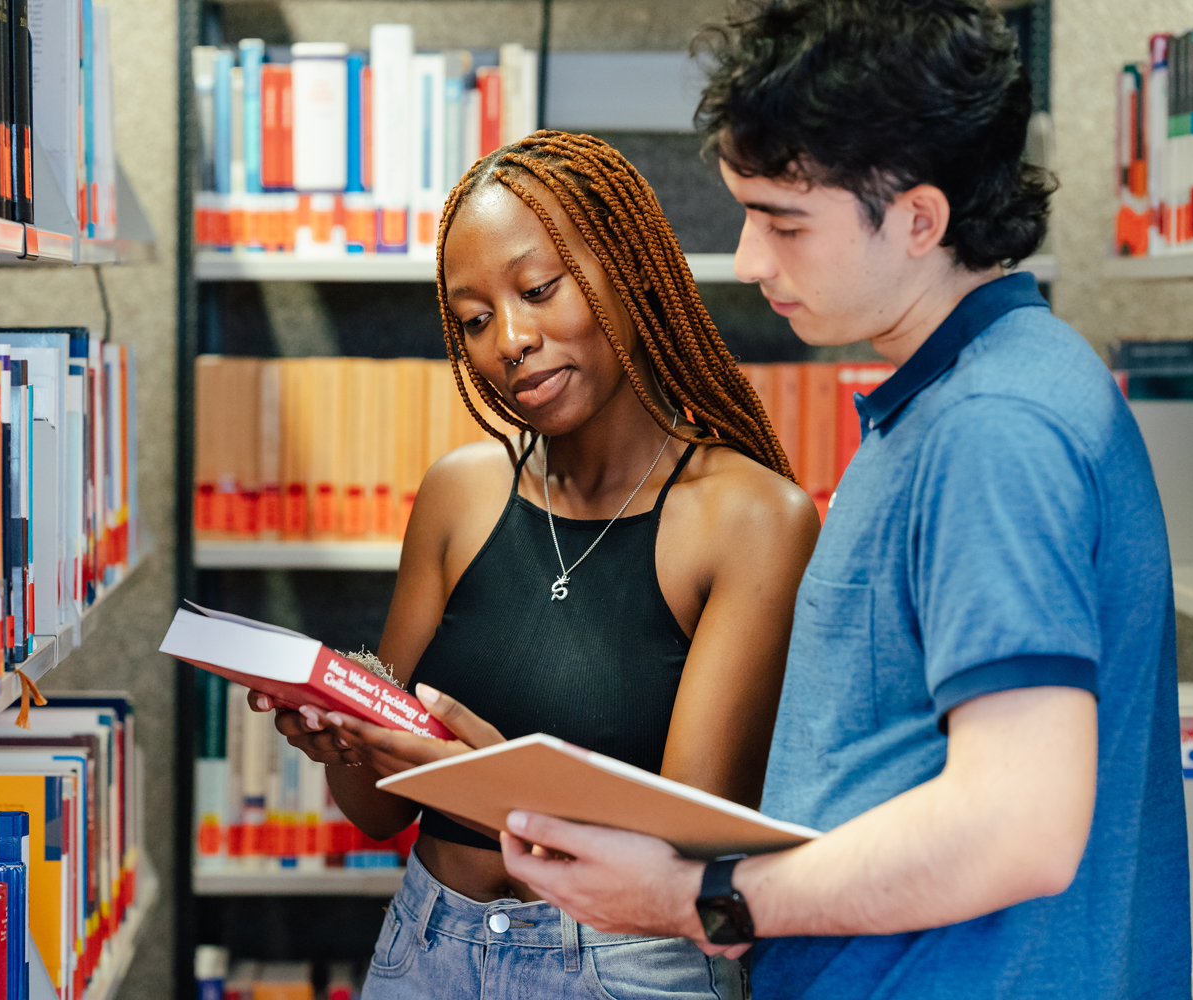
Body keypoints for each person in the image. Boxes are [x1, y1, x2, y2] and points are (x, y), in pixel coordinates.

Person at [495, 2, 1192, 999]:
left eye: (785, 222)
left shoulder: (994, 428)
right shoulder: (965, 391)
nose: (748, 260)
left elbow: (1019, 827)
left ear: (919, 218)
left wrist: (704, 899)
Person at [252, 132, 820, 998]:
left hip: (627, 968)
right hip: (426, 948)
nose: (508, 341)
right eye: (474, 319)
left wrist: (502, 787)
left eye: (539, 290)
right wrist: (341, 736)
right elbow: (376, 812)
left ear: (627, 269)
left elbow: (687, 854)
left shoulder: (750, 519)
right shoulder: (458, 495)